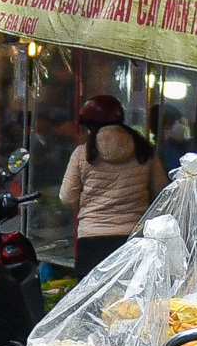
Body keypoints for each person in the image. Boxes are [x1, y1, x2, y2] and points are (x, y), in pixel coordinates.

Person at [55, 94, 159, 275]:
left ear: (90, 125)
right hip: (133, 237)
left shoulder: (82, 154)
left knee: (92, 293)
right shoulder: (145, 151)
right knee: (129, 292)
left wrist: (92, 202)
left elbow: (67, 198)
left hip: (92, 240)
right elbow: (161, 191)